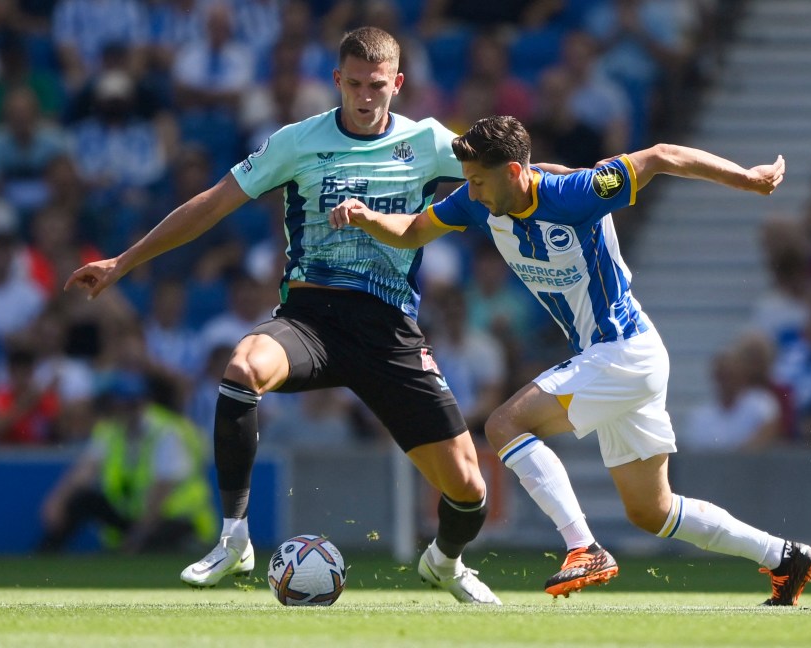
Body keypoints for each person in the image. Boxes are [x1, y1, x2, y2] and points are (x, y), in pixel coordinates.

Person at [65, 26, 518, 605]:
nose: (363, 95)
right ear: (336, 81)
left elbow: (508, 171)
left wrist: (600, 179)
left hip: (389, 332)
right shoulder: (296, 141)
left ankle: (445, 564)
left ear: (397, 84)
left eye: (376, 85)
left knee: (468, 490)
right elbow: (214, 202)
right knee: (242, 367)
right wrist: (125, 262)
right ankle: (234, 539)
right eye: (352, 83)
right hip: (311, 318)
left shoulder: (427, 141)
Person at [329, 115, 811, 605]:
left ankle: (583, 547)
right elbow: (415, 229)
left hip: (623, 349)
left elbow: (662, 155)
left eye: (479, 181)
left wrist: (747, 178)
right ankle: (784, 556)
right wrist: (368, 217)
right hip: (617, 358)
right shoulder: (477, 202)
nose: (472, 192)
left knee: (504, 425)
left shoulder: (576, 193)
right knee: (653, 511)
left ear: (516, 173)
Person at [38, 370, 216, 553]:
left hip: (177, 518)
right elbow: (85, 470)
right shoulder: (111, 429)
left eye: (128, 405)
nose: (122, 410)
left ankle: (188, 546)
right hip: (134, 516)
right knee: (82, 500)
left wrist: (136, 538)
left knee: (163, 541)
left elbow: (161, 492)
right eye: (118, 405)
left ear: (142, 403)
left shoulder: (167, 432)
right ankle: (45, 555)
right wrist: (57, 499)